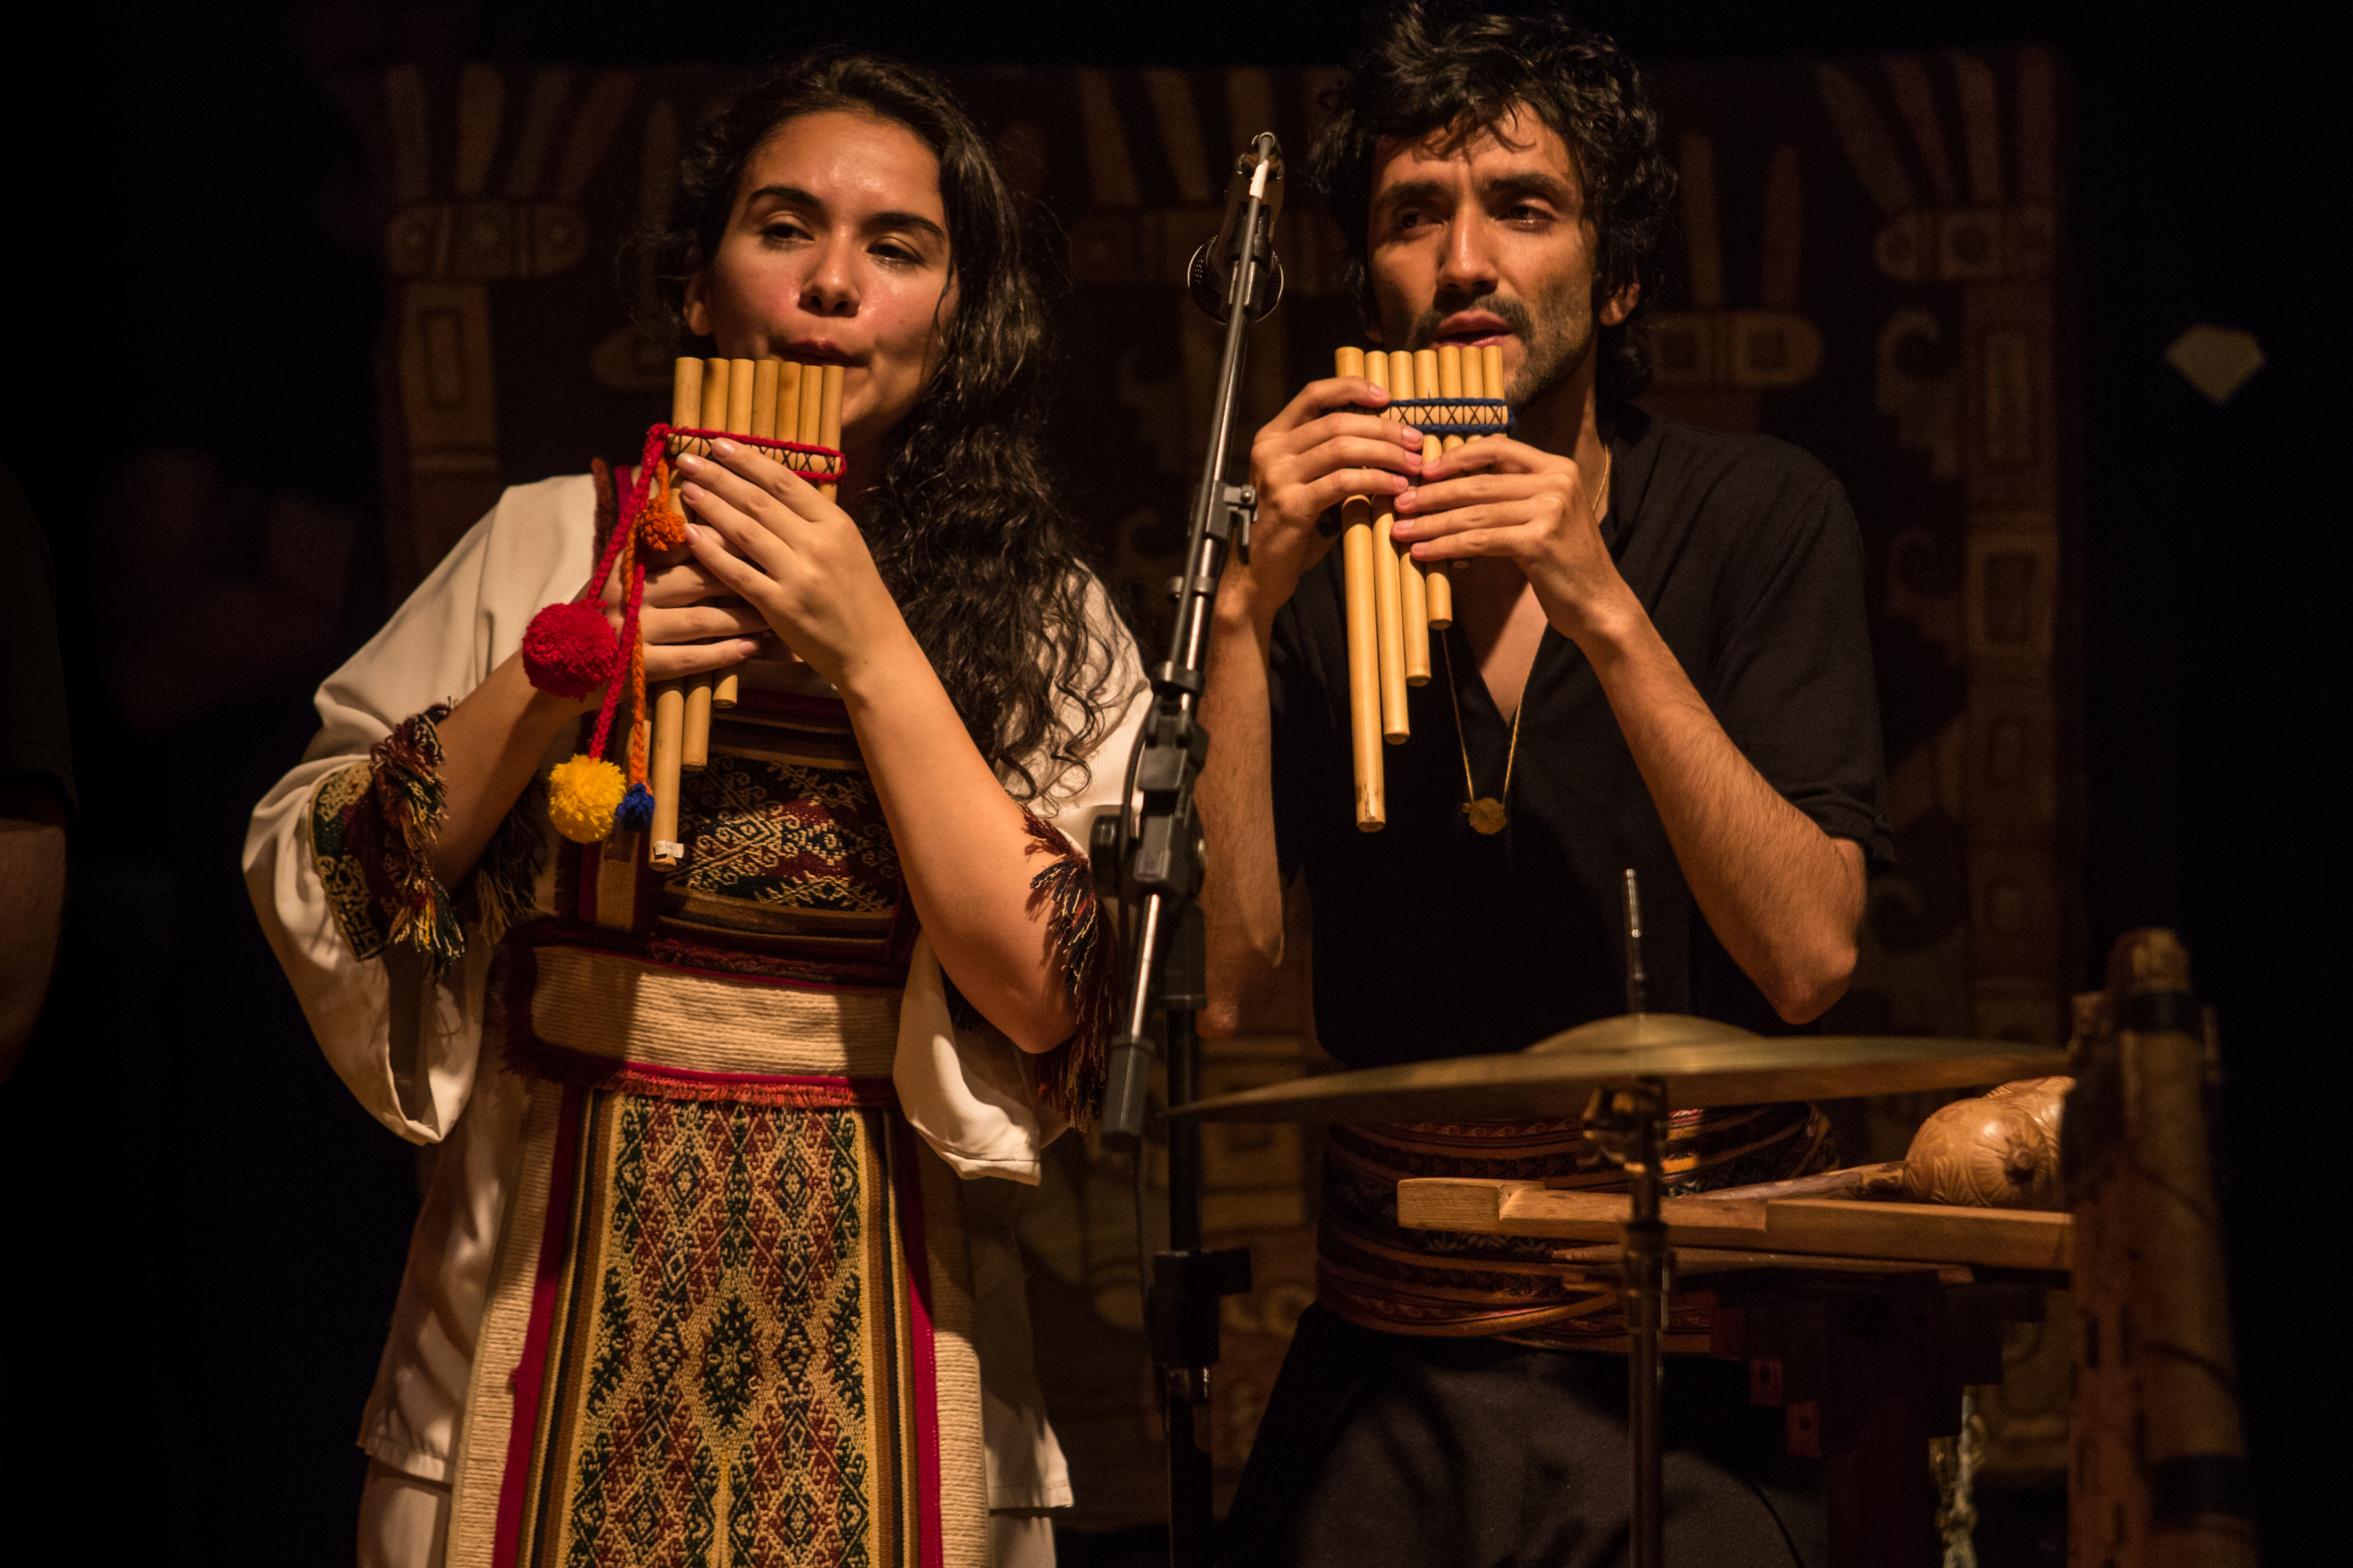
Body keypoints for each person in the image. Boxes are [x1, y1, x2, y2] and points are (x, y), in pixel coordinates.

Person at [247, 51, 1145, 1568]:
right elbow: (330, 878)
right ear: (696, 285)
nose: (832, 285)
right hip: (526, 1349)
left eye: (897, 246)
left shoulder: (1036, 612)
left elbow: (1052, 991)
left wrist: (870, 643)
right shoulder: (546, 533)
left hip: (902, 1371)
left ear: (958, 315)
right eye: (783, 227)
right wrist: (560, 668)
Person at [1198, 7, 1892, 1565]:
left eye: (1522, 206)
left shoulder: (1757, 517)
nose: (1463, 263)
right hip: (1395, 1358)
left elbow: (1806, 957)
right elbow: (1229, 987)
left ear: (1619, 274)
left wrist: (1598, 602)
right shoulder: (1310, 584)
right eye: (1410, 217)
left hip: (1698, 1358)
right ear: (1365, 278)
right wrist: (1243, 611)